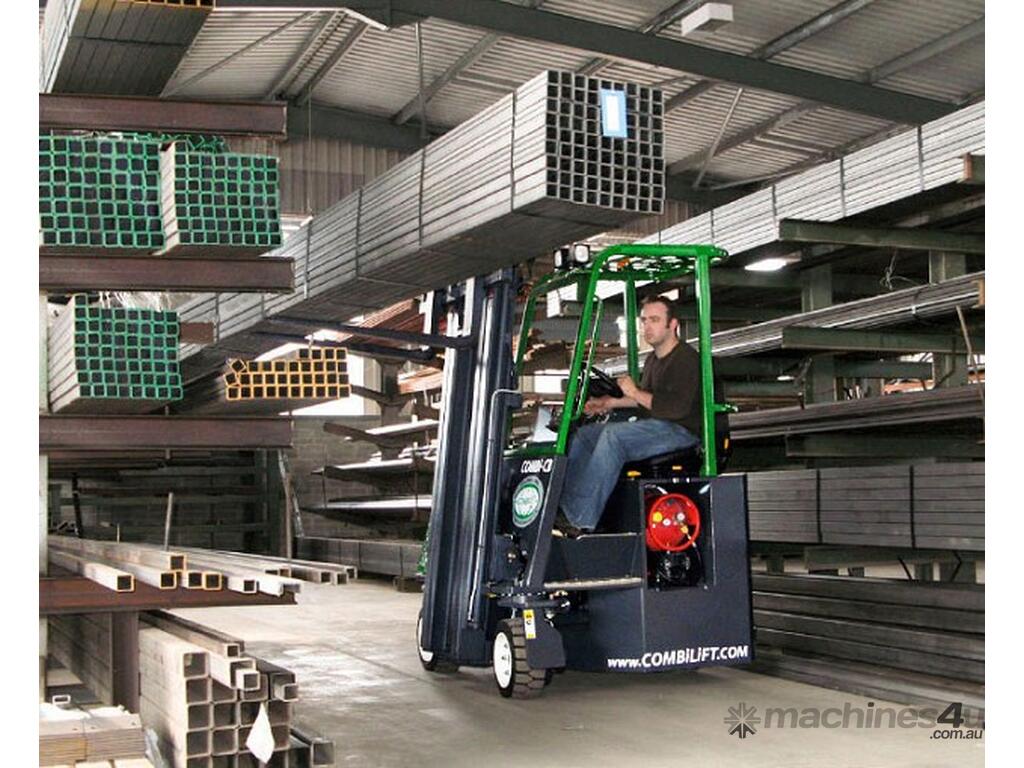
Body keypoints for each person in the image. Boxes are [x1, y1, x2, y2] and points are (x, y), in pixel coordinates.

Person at [556, 295, 703, 534]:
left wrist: (633, 391)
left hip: (681, 430)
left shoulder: (686, 359)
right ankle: (564, 506)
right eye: (644, 320)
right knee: (584, 435)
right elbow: (645, 399)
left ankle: (580, 519)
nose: (647, 326)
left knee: (613, 437)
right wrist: (610, 402)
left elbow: (675, 407)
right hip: (658, 425)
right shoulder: (654, 359)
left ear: (673, 324)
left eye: (655, 320)